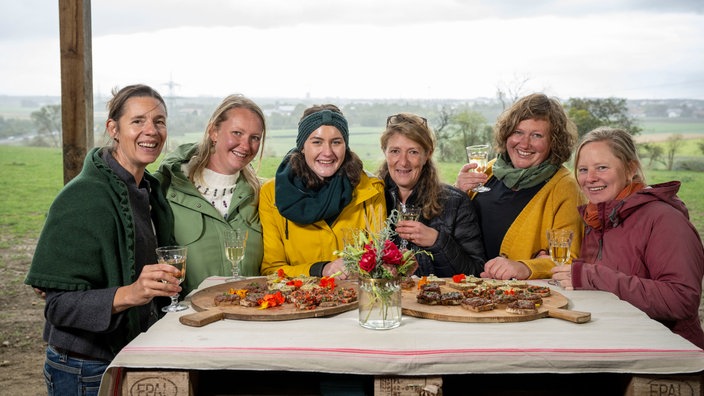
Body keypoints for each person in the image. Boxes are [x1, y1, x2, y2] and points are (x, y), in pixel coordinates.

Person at [24, 84, 177, 395]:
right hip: (85, 366)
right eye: (138, 121)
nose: (151, 130)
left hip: (131, 354)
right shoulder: (83, 196)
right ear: (113, 128)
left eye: (159, 121)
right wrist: (131, 293)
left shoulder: (148, 190)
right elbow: (58, 307)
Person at [552, 127, 704, 349]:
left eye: (602, 168)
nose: (590, 178)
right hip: (612, 341)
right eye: (583, 169)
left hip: (665, 351)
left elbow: (681, 300)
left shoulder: (664, 219)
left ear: (630, 169)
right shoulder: (597, 218)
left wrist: (591, 275)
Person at [455, 93, 584, 280]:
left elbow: (568, 258)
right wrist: (456, 192)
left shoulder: (565, 187)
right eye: (518, 132)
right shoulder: (490, 170)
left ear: (553, 142)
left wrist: (524, 267)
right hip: (467, 286)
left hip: (516, 297)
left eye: (537, 135)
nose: (524, 143)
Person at [155, 94, 265, 296]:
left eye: (255, 138)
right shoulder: (167, 190)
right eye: (237, 133)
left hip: (252, 317)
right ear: (214, 131)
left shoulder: (262, 194)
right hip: (192, 321)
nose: (246, 146)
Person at [259, 104, 386, 278]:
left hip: (356, 299)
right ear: (302, 147)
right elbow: (271, 270)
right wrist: (321, 269)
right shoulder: (271, 194)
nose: (327, 152)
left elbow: (380, 262)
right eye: (317, 142)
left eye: (336, 142)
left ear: (345, 146)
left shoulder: (371, 190)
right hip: (297, 300)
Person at [378, 113, 486, 277]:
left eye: (413, 152)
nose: (403, 162)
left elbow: (476, 272)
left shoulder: (455, 203)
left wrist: (438, 242)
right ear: (385, 152)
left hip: (432, 301)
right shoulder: (371, 201)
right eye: (395, 151)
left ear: (427, 154)